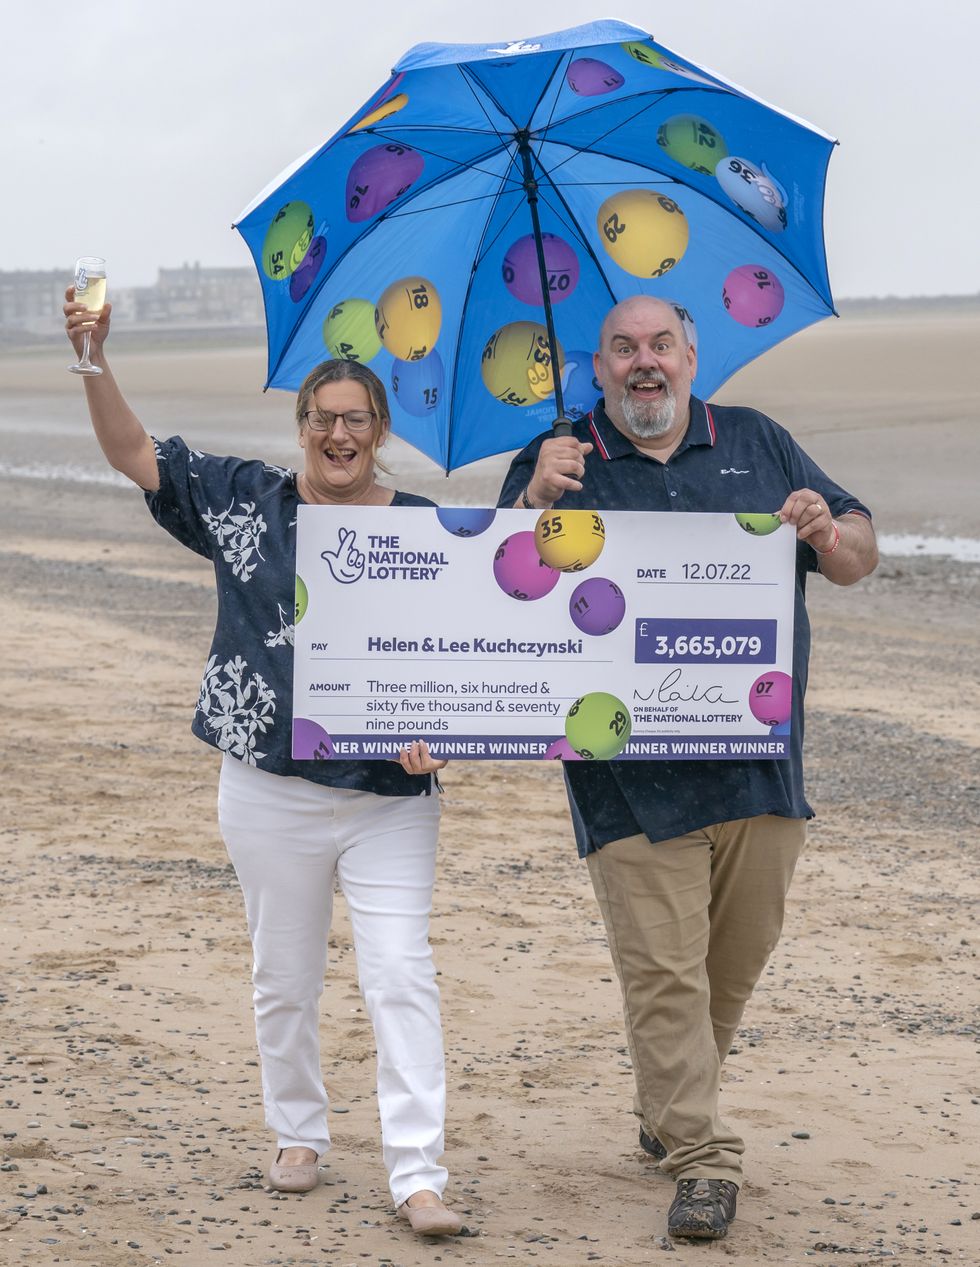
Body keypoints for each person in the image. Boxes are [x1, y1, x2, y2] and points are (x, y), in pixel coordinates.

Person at [64, 288, 467, 1238]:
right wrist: (91, 358)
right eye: (323, 418)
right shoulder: (244, 499)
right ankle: (299, 1131)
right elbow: (134, 454)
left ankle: (418, 1174)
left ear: (380, 431)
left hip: (390, 796)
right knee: (283, 973)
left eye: (356, 420)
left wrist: (439, 731)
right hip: (264, 786)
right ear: (301, 428)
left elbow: (459, 663)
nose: (339, 433)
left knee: (400, 972)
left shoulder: (423, 529)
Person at [497, 295, 878, 1242]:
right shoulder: (561, 458)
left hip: (761, 774)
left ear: (692, 355)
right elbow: (490, 600)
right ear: (596, 368)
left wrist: (824, 532)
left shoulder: (759, 441)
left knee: (725, 978)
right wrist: (529, 502)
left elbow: (861, 555)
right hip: (624, 780)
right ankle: (704, 1161)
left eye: (660, 343)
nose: (644, 363)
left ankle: (669, 1107)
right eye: (623, 348)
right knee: (664, 979)